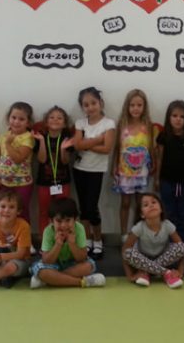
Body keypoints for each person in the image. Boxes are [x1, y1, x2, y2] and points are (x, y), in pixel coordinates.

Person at [73, 87, 116, 258]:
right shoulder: (80, 123)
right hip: (79, 169)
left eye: (93, 103)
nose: (90, 107)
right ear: (82, 107)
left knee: (92, 208)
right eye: (86, 104)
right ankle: (87, 240)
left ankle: (98, 240)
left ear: (101, 103)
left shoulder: (109, 124)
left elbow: (107, 149)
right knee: (83, 208)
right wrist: (98, 139)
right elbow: (77, 145)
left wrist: (86, 143)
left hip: (96, 171)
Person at [29, 198, 106, 289]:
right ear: (51, 221)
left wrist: (72, 244)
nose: (64, 225)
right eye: (59, 221)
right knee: (42, 271)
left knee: (87, 266)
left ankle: (49, 280)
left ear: (75, 219)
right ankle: (82, 282)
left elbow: (82, 258)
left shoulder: (79, 228)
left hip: (73, 264)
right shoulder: (48, 231)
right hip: (54, 265)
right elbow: (47, 261)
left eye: (68, 220)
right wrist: (58, 244)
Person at [112, 89, 154, 244]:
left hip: (142, 172)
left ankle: (139, 233)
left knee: (141, 204)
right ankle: (124, 234)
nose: (136, 108)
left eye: (139, 105)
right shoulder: (122, 125)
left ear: (144, 107)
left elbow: (151, 147)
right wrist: (114, 166)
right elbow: (117, 147)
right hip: (125, 171)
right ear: (127, 106)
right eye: (132, 105)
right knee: (125, 203)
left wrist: (154, 164)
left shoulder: (147, 126)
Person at [122, 193, 184, 289]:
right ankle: (166, 273)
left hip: (162, 258)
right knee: (128, 253)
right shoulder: (139, 227)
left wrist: (180, 271)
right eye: (146, 205)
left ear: (161, 209)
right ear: (142, 214)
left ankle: (146, 272)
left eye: (154, 202)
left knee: (182, 247)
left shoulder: (167, 225)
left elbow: (181, 248)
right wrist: (130, 275)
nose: (151, 206)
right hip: (143, 258)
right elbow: (125, 250)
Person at [155, 100, 184, 244]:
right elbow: (159, 158)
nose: (178, 119)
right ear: (168, 117)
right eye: (174, 116)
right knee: (168, 212)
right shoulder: (163, 136)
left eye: (182, 116)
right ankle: (169, 242)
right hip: (167, 181)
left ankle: (182, 243)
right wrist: (157, 178)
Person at [33, 106, 74, 233]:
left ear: (65, 124)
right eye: (51, 117)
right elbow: (41, 160)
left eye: (59, 118)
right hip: (44, 182)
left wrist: (62, 149)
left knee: (63, 212)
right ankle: (45, 239)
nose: (55, 120)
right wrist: (42, 142)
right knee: (44, 211)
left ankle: (62, 238)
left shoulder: (67, 138)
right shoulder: (40, 137)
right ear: (46, 122)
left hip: (63, 182)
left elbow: (66, 161)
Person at [0, 102, 35, 223]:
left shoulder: (28, 137)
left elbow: (18, 158)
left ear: (28, 122)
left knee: (21, 211)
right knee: (3, 211)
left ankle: (23, 234)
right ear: (8, 118)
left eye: (21, 119)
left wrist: (8, 144)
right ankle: (4, 233)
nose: (16, 122)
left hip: (22, 183)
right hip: (4, 183)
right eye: (13, 117)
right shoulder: (3, 136)